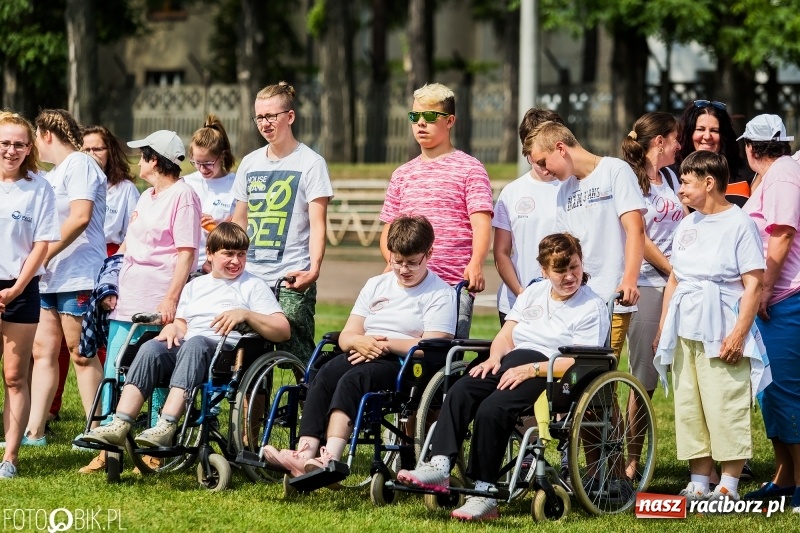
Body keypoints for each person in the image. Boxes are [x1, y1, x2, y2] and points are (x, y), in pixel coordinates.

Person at [396, 233, 610, 521]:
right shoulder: (533, 292)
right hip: (511, 359)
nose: (570, 276)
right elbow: (506, 334)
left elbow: (577, 361)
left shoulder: (590, 306)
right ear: (544, 271)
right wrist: (494, 358)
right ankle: (440, 465)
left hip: (552, 371)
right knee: (461, 390)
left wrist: (531, 370)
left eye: (574, 267)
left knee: (492, 409)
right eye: (560, 271)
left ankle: (483, 493)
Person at [260, 216, 457, 478]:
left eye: (412, 262)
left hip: (405, 362)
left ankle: (330, 457)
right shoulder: (376, 284)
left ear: (428, 253)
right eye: (397, 261)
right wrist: (358, 341)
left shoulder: (440, 293)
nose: (404, 269)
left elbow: (433, 344)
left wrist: (385, 345)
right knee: (324, 375)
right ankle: (304, 453)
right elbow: (347, 335)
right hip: (363, 350)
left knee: (353, 380)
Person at [81, 222, 290, 449]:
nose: (236, 261)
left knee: (196, 344)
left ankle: (167, 425)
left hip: (227, 355)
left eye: (241, 254)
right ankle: (120, 423)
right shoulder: (195, 285)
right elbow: (182, 323)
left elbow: (282, 330)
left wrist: (246, 314)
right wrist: (173, 328)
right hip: (190, 349)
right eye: (228, 254)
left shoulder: (253, 285)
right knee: (152, 347)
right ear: (209, 254)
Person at [79, 130, 201, 474]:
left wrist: (171, 299)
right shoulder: (146, 197)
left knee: (157, 371)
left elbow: (186, 253)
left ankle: (154, 449)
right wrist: (108, 282)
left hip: (158, 300)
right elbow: (127, 248)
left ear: (155, 159)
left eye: (143, 154)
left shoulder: (184, 195)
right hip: (126, 300)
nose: (138, 160)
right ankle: (106, 447)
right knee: (115, 371)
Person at [653, 150, 766, 504]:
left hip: (722, 326)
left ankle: (728, 485)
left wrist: (738, 334)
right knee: (690, 404)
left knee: (724, 402)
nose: (681, 188)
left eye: (686, 181)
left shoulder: (739, 223)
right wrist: (662, 325)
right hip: (684, 327)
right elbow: (675, 278)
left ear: (709, 182)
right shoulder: (688, 224)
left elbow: (754, 285)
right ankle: (700, 478)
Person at [379, 83, 494, 337]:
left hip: (452, 284)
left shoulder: (470, 168)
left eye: (430, 116)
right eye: (415, 116)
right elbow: (388, 229)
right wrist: (392, 263)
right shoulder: (402, 174)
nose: (421, 123)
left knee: (443, 358)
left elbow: (481, 224)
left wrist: (476, 263)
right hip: (408, 284)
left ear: (450, 120)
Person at [232, 81, 333, 362]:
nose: (264, 123)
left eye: (271, 116)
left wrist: (313, 270)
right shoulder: (250, 163)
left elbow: (318, 224)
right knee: (246, 357)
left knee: (297, 355)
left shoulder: (311, 163)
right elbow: (239, 221)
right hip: (251, 276)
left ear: (289, 117)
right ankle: (252, 407)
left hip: (292, 277)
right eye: (259, 117)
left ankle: (307, 403)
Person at [47, 125, 140, 426]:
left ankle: (100, 420)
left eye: (97, 148)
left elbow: (130, 232)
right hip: (58, 266)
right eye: (85, 148)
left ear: (109, 150)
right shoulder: (65, 175)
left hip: (103, 262)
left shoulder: (124, 188)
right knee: (53, 349)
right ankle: (48, 413)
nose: (90, 154)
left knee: (87, 347)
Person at [27, 109, 107, 445]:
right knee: (43, 352)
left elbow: (80, 217)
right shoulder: (56, 172)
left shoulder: (80, 164)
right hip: (51, 278)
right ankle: (34, 431)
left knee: (81, 352)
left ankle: (96, 430)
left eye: (34, 138)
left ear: (46, 134)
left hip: (79, 275)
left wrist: (40, 256)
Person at [738, 115, 800, 510]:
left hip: (783, 299)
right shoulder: (779, 172)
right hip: (774, 299)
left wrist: (763, 288)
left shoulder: (782, 175)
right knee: (771, 393)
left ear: (749, 148)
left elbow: (781, 235)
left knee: (786, 392)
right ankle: (784, 477)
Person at [619, 112, 685, 478]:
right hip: (646, 283)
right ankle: (629, 462)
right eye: (675, 138)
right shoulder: (631, 178)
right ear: (659, 140)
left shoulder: (671, 177)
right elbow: (637, 236)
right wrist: (671, 269)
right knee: (642, 374)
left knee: (658, 377)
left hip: (675, 283)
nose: (680, 145)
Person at [525, 121, 645, 307]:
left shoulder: (614, 170)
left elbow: (636, 229)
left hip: (614, 296)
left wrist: (629, 280)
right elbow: (566, 245)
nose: (545, 170)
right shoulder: (564, 191)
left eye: (543, 162)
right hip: (577, 300)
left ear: (560, 148)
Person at [0, 112, 60, 478]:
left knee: (13, 377)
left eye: (19, 143)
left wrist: (17, 288)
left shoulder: (40, 187)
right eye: (5, 142)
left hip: (20, 288)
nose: (11, 150)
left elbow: (42, 244)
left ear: (29, 147)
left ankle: (10, 457)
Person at [493, 108, 563, 325]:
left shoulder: (576, 187)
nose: (543, 165)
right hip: (517, 304)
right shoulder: (512, 192)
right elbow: (501, 252)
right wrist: (521, 293)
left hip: (565, 302)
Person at [184, 115, 237, 271]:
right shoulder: (185, 183)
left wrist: (216, 229)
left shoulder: (235, 185)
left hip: (218, 268)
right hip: (186, 264)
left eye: (208, 163)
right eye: (196, 163)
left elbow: (238, 234)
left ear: (222, 156)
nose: (202, 169)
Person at [677, 99, 751, 207]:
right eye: (700, 129)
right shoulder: (672, 173)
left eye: (714, 131)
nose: (707, 136)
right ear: (689, 133)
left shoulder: (745, 171)